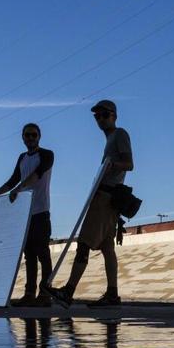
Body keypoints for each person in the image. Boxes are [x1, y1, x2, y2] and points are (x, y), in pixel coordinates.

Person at [46, 100, 133, 308]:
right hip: (106, 198)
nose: (100, 119)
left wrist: (112, 164)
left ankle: (69, 291)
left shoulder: (120, 134)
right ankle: (113, 294)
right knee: (106, 247)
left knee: (84, 243)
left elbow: (129, 164)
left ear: (114, 115)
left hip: (105, 198)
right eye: (97, 116)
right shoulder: (110, 138)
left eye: (104, 114)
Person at [0, 123, 55, 307]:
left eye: (33, 135)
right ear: (22, 138)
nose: (30, 138)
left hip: (40, 211)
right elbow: (13, 180)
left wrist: (19, 188)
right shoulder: (22, 158)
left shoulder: (47, 155)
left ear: (39, 136)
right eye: (27, 135)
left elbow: (36, 175)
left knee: (43, 253)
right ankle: (29, 294)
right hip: (24, 215)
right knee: (29, 255)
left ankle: (45, 294)